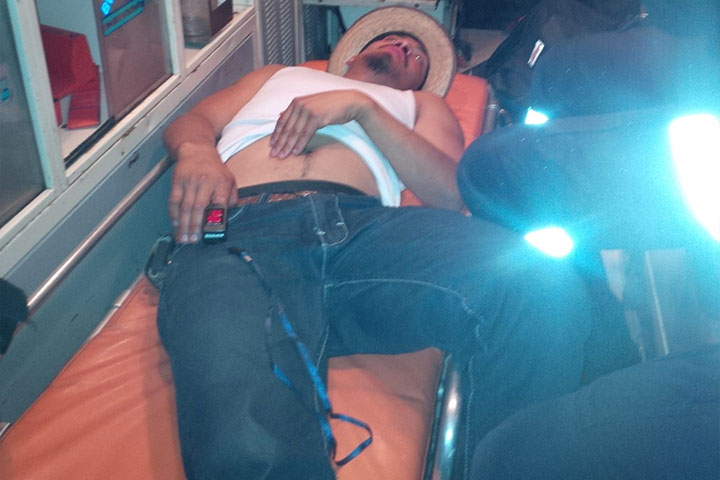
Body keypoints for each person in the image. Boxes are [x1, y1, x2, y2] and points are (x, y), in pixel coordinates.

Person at [147, 7, 592, 479]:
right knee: (244, 441)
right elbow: (193, 120)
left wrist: (364, 109)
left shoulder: (420, 106)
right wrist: (197, 152)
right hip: (241, 229)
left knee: (541, 287)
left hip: (362, 232)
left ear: (422, 80)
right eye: (393, 39)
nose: (405, 46)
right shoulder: (276, 76)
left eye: (417, 55)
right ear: (351, 55)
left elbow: (448, 193)